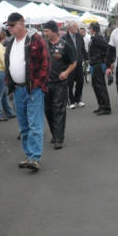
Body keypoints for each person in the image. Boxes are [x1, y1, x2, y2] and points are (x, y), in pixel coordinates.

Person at [4, 12, 50, 172]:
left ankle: (35, 157)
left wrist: (37, 84)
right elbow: (8, 64)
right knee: (23, 126)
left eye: (12, 25)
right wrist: (9, 82)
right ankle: (30, 155)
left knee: (34, 124)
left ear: (21, 23)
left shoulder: (35, 39)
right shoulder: (11, 42)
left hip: (32, 88)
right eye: (8, 25)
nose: (9, 28)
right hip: (18, 88)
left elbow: (46, 63)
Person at [42, 20, 76, 149]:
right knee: (48, 110)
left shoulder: (65, 45)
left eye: (46, 31)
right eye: (44, 31)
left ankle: (59, 138)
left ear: (54, 31)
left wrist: (66, 72)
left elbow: (74, 62)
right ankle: (54, 133)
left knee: (59, 110)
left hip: (60, 84)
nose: (44, 33)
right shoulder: (43, 45)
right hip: (45, 84)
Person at [88, 22, 111, 115]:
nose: (89, 30)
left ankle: (106, 107)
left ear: (93, 29)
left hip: (98, 64)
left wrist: (101, 57)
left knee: (100, 86)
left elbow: (108, 48)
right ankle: (101, 105)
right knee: (96, 86)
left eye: (90, 28)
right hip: (94, 64)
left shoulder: (98, 38)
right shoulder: (95, 37)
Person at [62, 21, 86, 109]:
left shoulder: (79, 36)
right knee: (70, 83)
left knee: (80, 82)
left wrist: (85, 58)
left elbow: (82, 48)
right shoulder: (64, 38)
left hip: (79, 63)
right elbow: (63, 52)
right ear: (70, 28)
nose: (76, 29)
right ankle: (71, 101)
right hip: (70, 64)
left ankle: (78, 100)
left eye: (77, 27)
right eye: (75, 27)